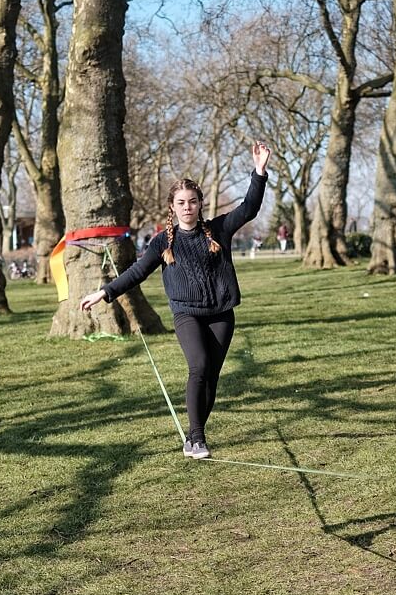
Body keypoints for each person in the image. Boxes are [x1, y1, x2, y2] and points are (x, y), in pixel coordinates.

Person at [80, 141, 271, 460]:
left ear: (199, 204)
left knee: (211, 375)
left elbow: (249, 208)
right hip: (187, 315)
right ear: (173, 206)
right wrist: (105, 292)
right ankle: (196, 438)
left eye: (193, 202)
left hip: (222, 314)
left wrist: (259, 171)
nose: (187, 207)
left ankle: (195, 435)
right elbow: (137, 272)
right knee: (198, 367)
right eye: (181, 202)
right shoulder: (162, 242)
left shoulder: (218, 229)